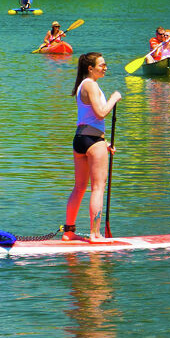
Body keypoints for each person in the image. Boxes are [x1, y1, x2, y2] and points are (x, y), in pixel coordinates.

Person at [63, 54, 122, 243]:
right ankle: (95, 234)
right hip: (92, 140)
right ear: (90, 68)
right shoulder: (90, 84)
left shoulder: (83, 85)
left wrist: (103, 144)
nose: (105, 67)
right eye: (102, 65)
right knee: (98, 188)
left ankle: (69, 232)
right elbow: (101, 113)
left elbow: (89, 118)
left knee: (80, 187)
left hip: (81, 139)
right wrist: (114, 98)